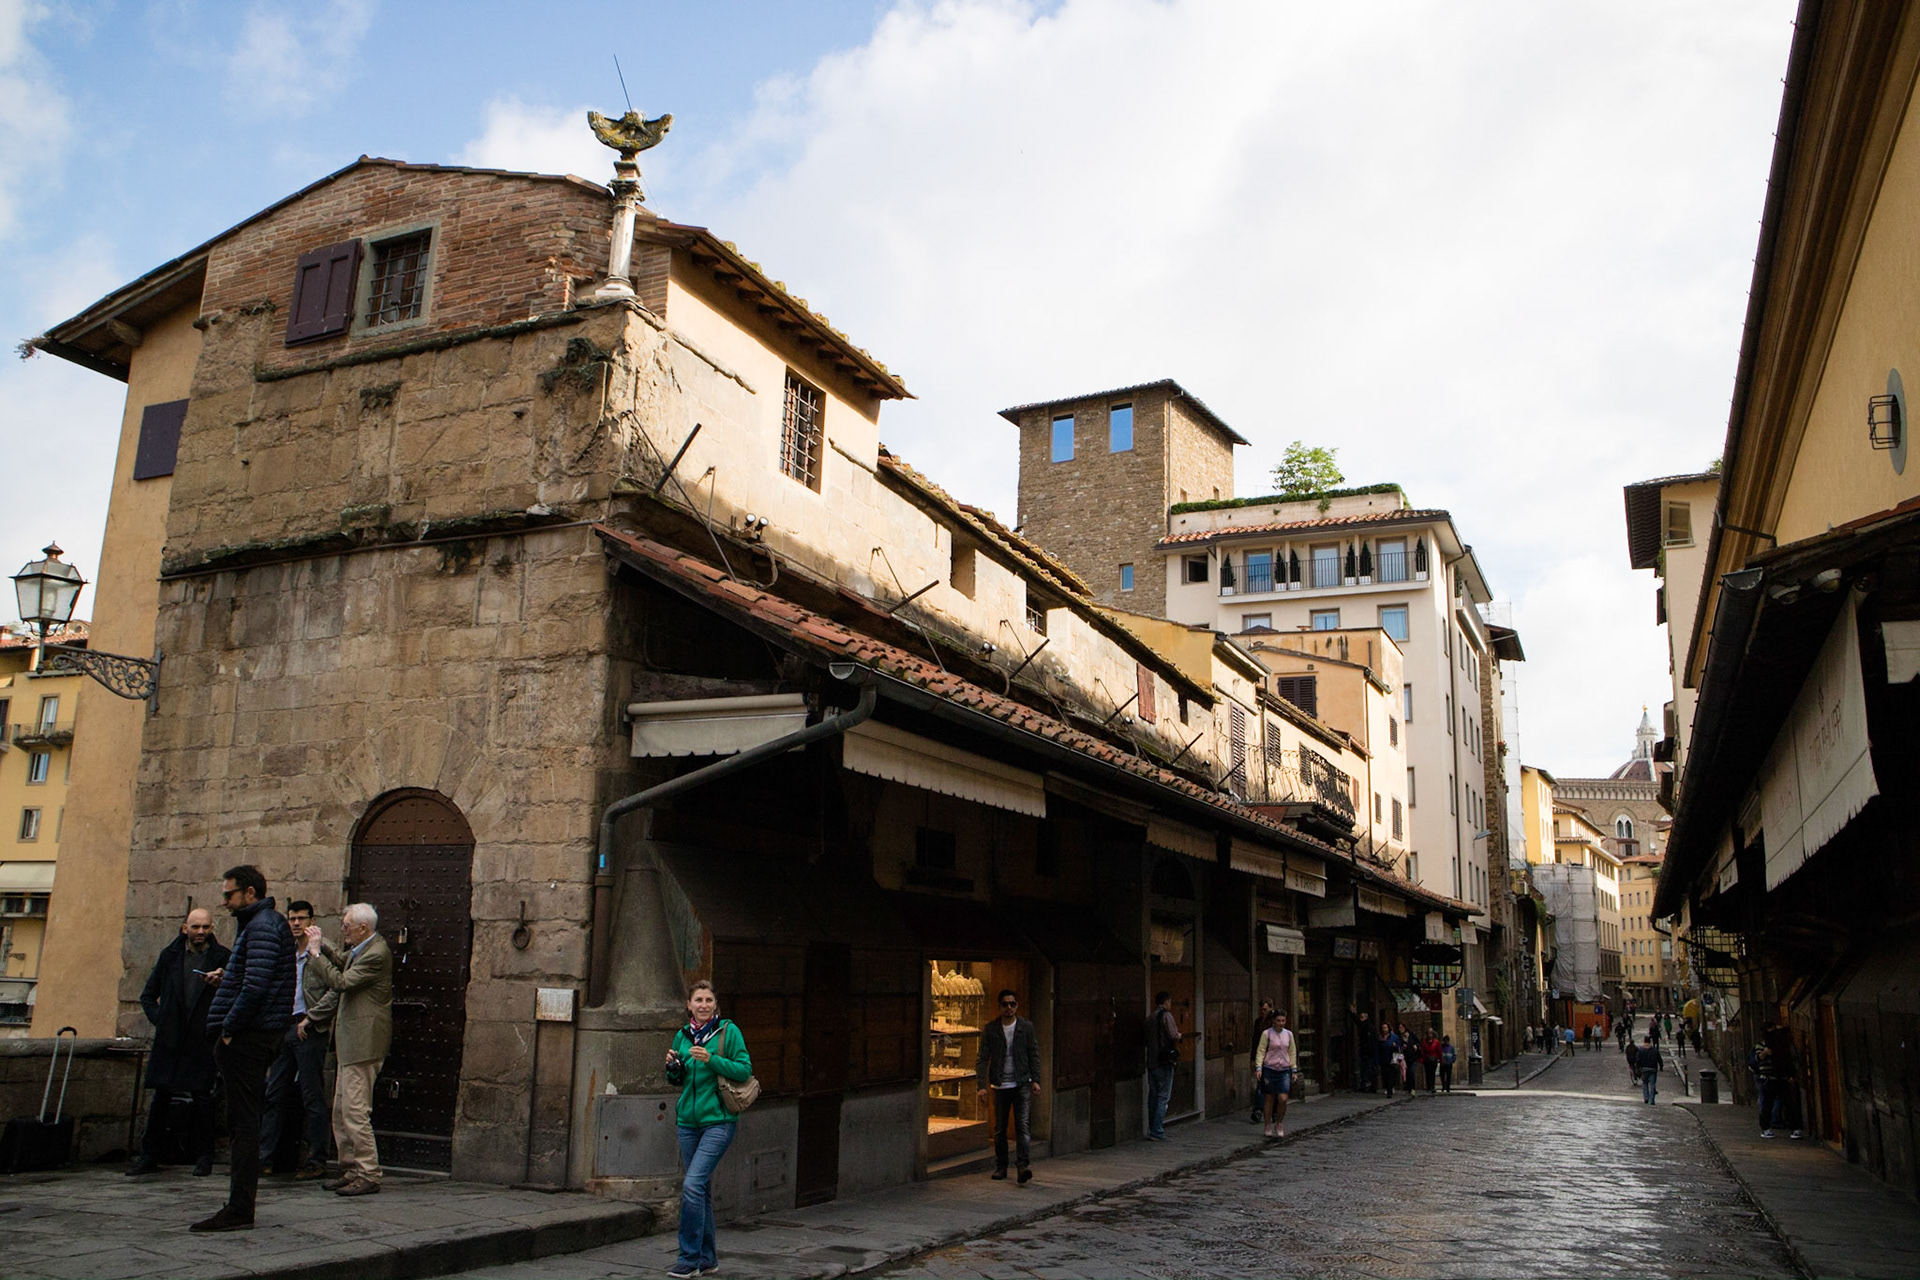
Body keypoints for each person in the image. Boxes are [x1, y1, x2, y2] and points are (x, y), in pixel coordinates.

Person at [192, 865, 296, 1233]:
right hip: (251, 1035)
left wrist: (229, 1029)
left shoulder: (264, 924)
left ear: (249, 893)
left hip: (248, 1038)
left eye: (229, 895)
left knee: (243, 1124)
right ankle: (238, 1206)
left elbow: (255, 987)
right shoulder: (260, 925)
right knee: (242, 1122)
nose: (225, 901)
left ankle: (239, 1209)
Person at [129, 907, 230, 1177]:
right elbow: (148, 995)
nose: (200, 932)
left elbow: (233, 995)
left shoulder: (222, 958)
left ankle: (204, 1156)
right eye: (195, 927)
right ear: (185, 928)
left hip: (202, 1039)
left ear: (212, 928)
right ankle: (149, 1155)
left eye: (205, 927)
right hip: (171, 1040)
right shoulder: (170, 956)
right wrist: (161, 1021)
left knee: (202, 1100)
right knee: (160, 1098)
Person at [663, 979, 752, 1279]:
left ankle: (688, 1259)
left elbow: (743, 1070)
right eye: (698, 1000)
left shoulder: (729, 1032)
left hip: (719, 1121)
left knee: (691, 1185)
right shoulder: (682, 1036)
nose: (703, 1005)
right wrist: (674, 1067)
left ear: (716, 1005)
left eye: (709, 1000)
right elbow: (678, 1081)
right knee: (700, 1192)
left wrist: (712, 1059)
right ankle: (708, 1259)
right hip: (688, 1123)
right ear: (689, 1005)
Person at [303, 902, 392, 1196]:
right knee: (341, 1110)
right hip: (350, 1042)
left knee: (355, 1111)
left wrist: (315, 953)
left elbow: (341, 981)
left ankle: (369, 1172)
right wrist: (324, 943)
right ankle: (350, 1168)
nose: (343, 931)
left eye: (345, 927)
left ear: (362, 929)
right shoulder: (365, 948)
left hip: (363, 1043)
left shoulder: (376, 954)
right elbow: (344, 960)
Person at [259, 900, 336, 1180]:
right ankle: (264, 1157)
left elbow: (337, 988)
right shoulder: (285, 952)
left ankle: (317, 1159)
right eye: (292, 918)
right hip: (284, 1029)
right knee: (274, 1093)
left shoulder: (323, 951)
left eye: (301, 918)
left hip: (309, 1030)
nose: (295, 923)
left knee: (312, 1096)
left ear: (312, 920)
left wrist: (313, 1017)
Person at [976, 988, 1041, 1180]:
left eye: (1013, 1004)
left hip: (1021, 1083)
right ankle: (1001, 1166)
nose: (1009, 1008)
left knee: (1022, 1126)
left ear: (1017, 1006)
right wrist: (981, 1085)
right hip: (1000, 1085)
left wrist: (1036, 1080)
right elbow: (982, 1058)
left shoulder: (1025, 1027)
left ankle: (1022, 1166)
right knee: (1000, 1129)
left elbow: (1033, 1054)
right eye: (1005, 1004)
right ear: (999, 1007)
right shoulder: (991, 1029)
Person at [1249, 1009, 1295, 1139]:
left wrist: (1294, 1069)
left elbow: (1292, 1051)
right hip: (1269, 1068)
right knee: (1269, 1098)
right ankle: (1267, 1124)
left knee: (1283, 1098)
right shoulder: (1267, 1034)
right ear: (1273, 1021)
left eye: (1283, 1021)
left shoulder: (1289, 1035)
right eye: (1278, 1021)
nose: (1281, 1023)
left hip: (1284, 1070)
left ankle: (1279, 1123)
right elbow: (1261, 1050)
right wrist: (1259, 1067)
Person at [1145, 991, 1180, 1140]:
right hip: (1164, 1061)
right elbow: (1173, 1035)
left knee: (1153, 1095)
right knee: (1162, 1096)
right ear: (1166, 1002)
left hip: (1151, 1061)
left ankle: (1152, 1127)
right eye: (1170, 1002)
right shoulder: (1166, 1016)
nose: (1170, 1004)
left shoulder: (1150, 1017)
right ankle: (1157, 1130)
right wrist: (1180, 1035)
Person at [1250, 1000, 1275, 1122]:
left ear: (1271, 1008)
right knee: (1260, 1084)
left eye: (1265, 1009)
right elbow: (1255, 1041)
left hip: (1273, 1057)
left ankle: (1273, 1111)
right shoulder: (1258, 1022)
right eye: (1261, 1010)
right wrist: (1253, 1058)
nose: (1263, 1012)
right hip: (1261, 1057)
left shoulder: (1275, 1022)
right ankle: (1258, 1110)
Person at [1351, 1008, 1376, 1092]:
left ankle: (1371, 1085)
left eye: (1362, 1017)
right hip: (1366, 1051)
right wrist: (1353, 1013)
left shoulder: (1368, 1027)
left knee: (1368, 1068)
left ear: (1366, 1017)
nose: (1360, 1019)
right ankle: (1367, 1085)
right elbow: (1357, 1022)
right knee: (1365, 1068)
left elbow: (1371, 1041)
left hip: (1368, 1052)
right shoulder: (1366, 1025)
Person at [1635, 1034, 1661, 1105]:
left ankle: (1646, 1098)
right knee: (1652, 1084)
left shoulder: (1640, 1050)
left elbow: (1638, 1060)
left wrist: (1637, 1067)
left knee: (1645, 1083)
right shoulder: (1654, 1050)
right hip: (1653, 1069)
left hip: (1644, 1069)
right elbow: (1659, 1058)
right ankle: (1652, 1100)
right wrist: (1661, 1066)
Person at [1377, 1024, 1398, 1097]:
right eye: (1383, 1028)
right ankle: (1388, 1088)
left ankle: (1390, 1090)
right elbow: (1377, 1048)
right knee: (1385, 1075)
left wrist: (1395, 1046)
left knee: (1391, 1075)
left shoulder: (1394, 1037)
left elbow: (1399, 1047)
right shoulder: (1380, 1038)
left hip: (1392, 1059)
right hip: (1383, 1059)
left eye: (1385, 1028)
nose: (1384, 1029)